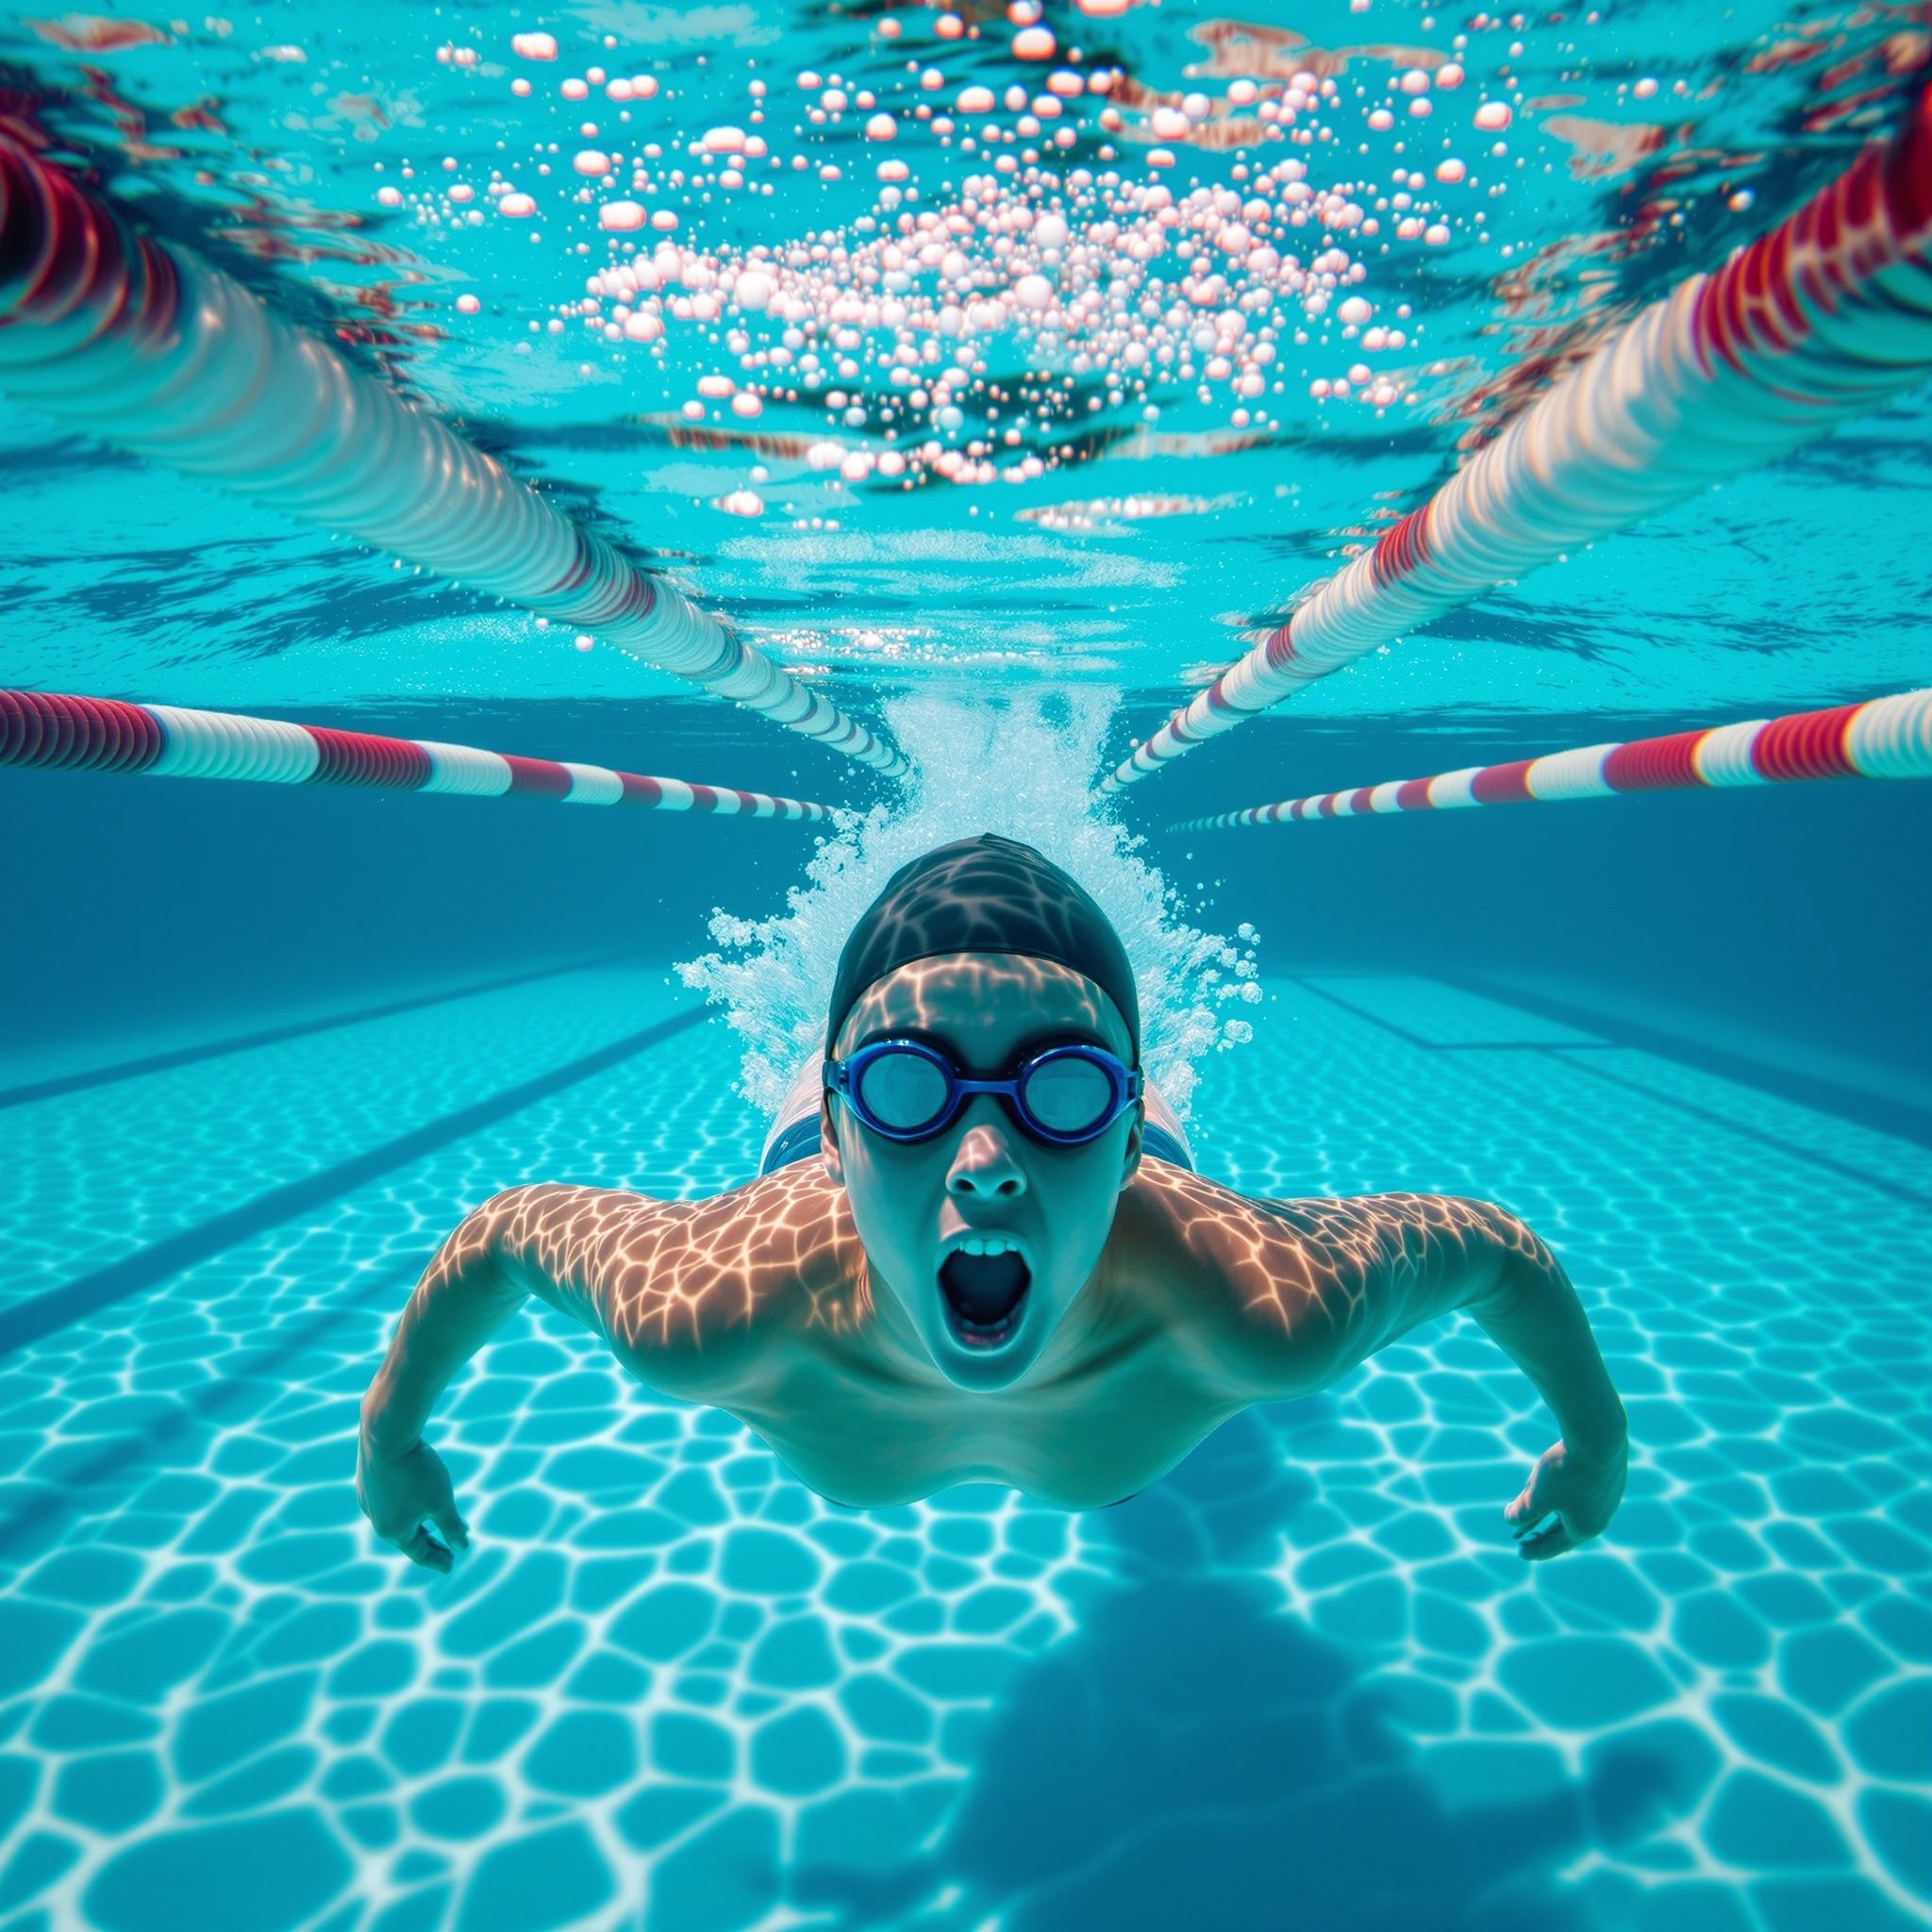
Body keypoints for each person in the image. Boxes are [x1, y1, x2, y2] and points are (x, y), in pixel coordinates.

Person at [358, 833, 1628, 1570]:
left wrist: (1598, 1443)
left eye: (1058, 1086)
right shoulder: (712, 1308)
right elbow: (503, 1235)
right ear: (841, 1132)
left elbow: (1492, 1250)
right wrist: (389, 1440)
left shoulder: (1260, 1308)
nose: (983, 1159)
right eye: (911, 1086)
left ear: (1125, 1141)